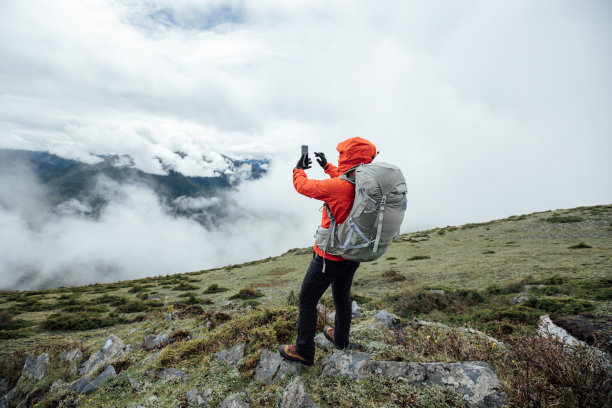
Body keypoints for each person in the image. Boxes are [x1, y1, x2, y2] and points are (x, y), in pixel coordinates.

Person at [279, 137, 378, 366]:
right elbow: (344, 178)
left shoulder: (339, 189)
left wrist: (298, 169)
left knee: (307, 299)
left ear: (347, 157)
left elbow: (303, 186)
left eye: (342, 155)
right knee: (342, 296)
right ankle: (341, 338)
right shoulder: (366, 185)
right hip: (353, 254)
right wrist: (327, 167)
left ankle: (303, 351)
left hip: (330, 256)